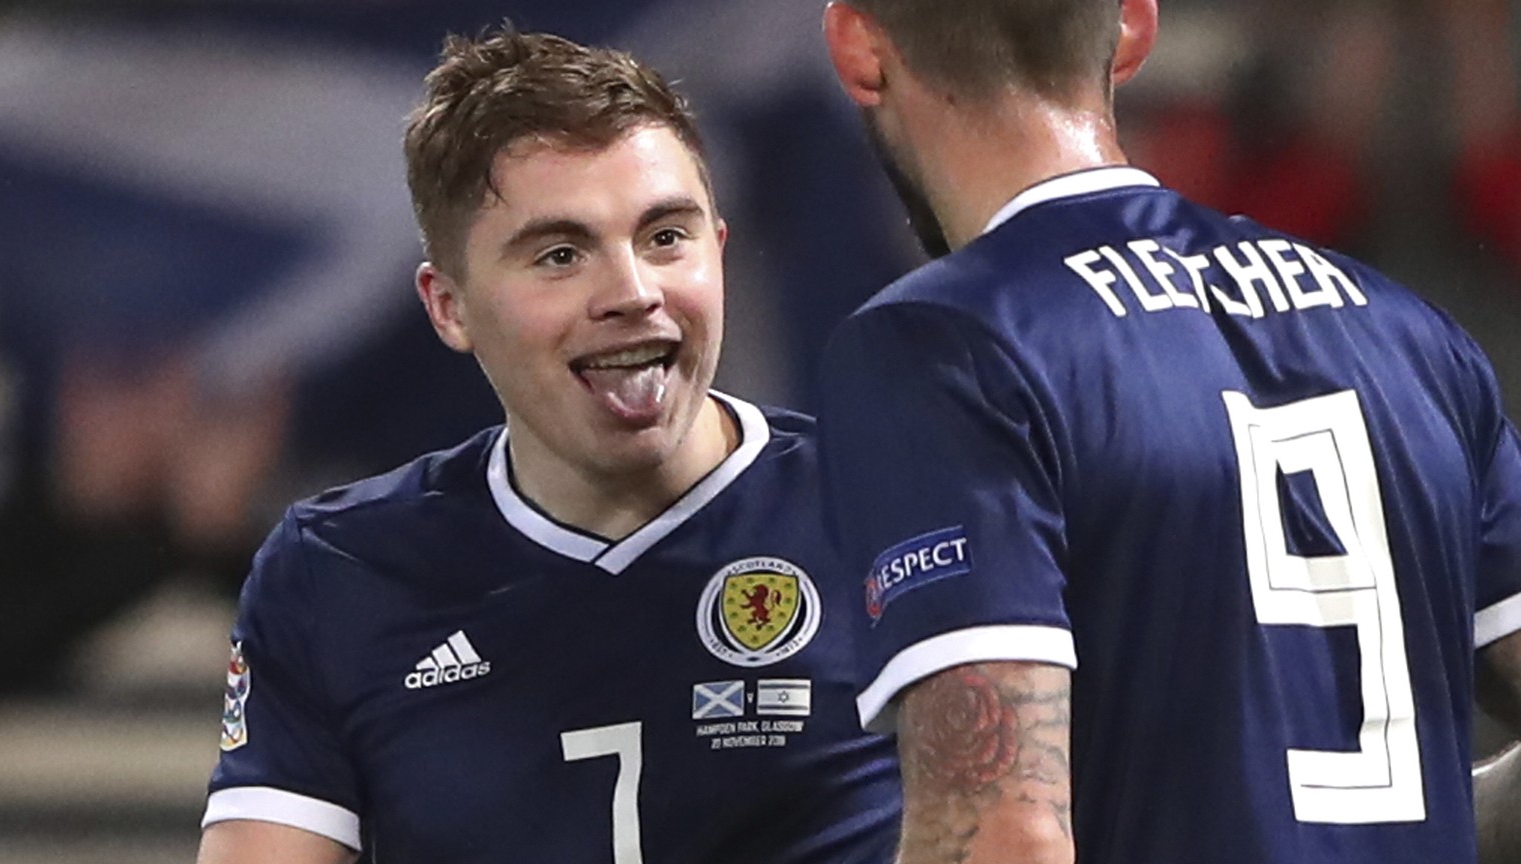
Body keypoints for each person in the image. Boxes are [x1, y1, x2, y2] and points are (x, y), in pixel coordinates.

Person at [814, 1, 1521, 863]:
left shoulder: (945, 345)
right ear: (1136, 28)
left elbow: (1002, 838)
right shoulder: (1409, 332)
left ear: (855, 47)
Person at [194, 28, 900, 864]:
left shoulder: (890, 506)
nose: (633, 293)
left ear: (720, 247)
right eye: (561, 255)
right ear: (448, 306)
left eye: (665, 237)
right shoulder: (334, 573)